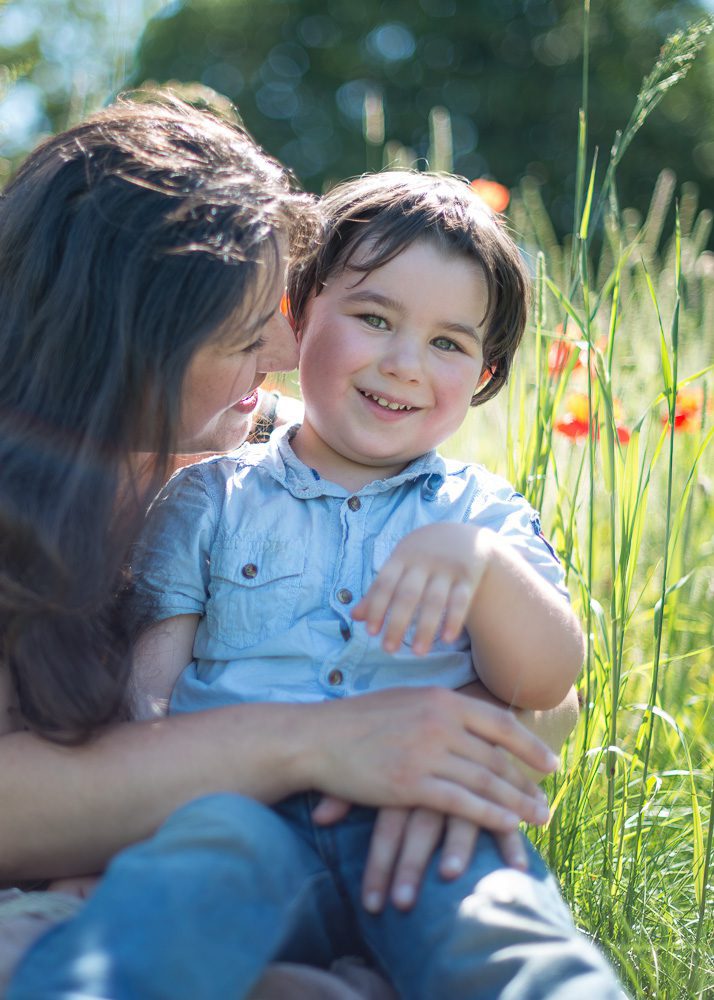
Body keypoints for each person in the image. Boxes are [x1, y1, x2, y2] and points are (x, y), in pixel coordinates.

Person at [0, 97, 582, 999]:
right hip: (197, 849)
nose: (283, 346)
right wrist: (314, 744)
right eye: (247, 329)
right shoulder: (209, 494)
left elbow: (551, 688)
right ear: (135, 344)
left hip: (389, 847)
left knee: (493, 936)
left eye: (445, 342)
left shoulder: (306, 456)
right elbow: (111, 732)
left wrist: (458, 736)